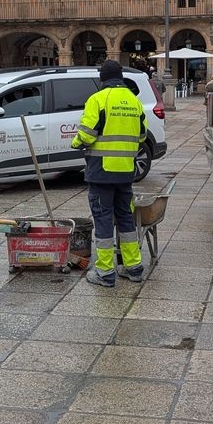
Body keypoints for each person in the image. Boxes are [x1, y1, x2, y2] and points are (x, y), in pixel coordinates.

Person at [71, 60, 148, 287]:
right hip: (126, 171)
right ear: (121, 78)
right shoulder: (134, 101)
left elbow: (87, 133)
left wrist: (76, 142)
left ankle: (105, 272)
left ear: (102, 79)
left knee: (103, 218)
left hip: (102, 171)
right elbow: (142, 135)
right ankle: (133, 267)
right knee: (125, 217)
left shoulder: (98, 99)